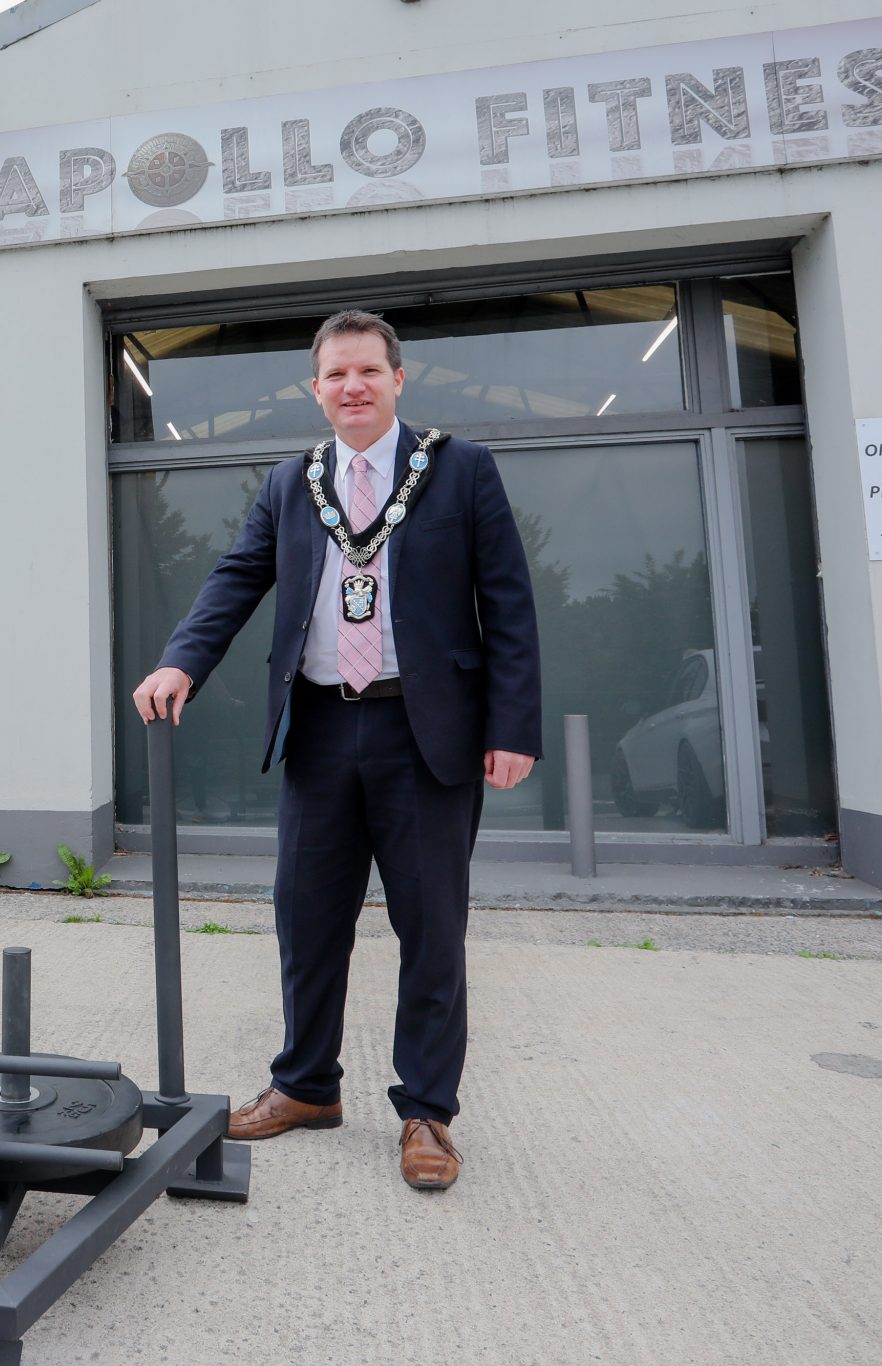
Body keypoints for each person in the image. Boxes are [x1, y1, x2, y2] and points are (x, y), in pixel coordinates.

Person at [132, 311, 539, 1191]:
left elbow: (507, 602)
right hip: (318, 727)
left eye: (367, 371)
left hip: (424, 732)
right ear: (316, 390)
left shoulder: (459, 471)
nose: (352, 387)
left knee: (431, 927)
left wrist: (512, 727)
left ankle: (428, 1111)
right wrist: (179, 662)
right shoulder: (293, 482)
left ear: (398, 379)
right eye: (335, 376)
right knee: (305, 918)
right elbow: (237, 577)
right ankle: (307, 1085)